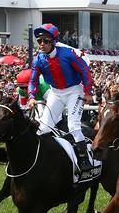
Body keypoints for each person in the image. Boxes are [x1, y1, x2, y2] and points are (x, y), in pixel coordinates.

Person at [28, 23, 94, 172]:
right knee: (43, 128)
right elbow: (33, 80)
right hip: (55, 93)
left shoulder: (68, 53)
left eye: (45, 41)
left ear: (53, 41)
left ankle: (84, 161)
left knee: (73, 126)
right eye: (39, 41)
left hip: (74, 92)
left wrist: (88, 92)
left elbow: (84, 70)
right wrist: (32, 96)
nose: (42, 44)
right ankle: (43, 159)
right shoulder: (38, 59)